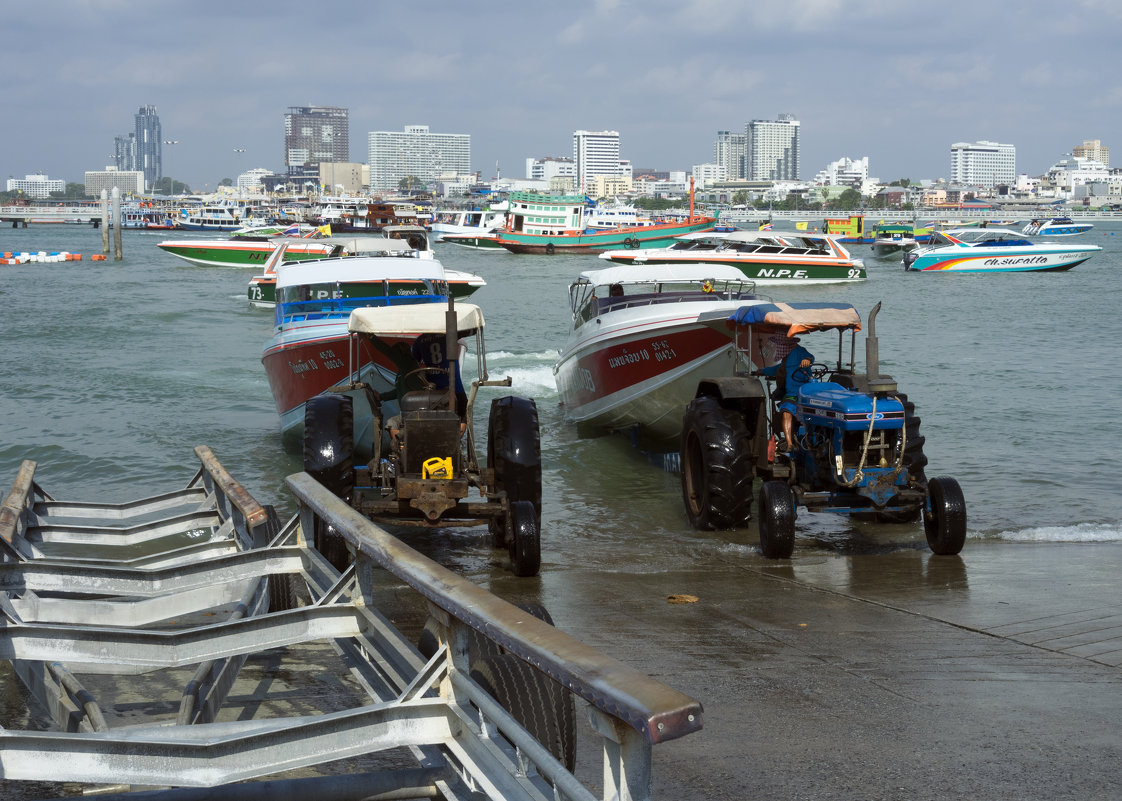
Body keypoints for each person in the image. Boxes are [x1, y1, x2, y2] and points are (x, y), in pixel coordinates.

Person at [757, 334, 815, 450]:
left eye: (780, 344)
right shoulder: (786, 358)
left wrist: (807, 360)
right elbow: (776, 369)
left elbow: (810, 357)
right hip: (791, 394)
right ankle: (790, 444)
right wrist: (761, 371)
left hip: (804, 392)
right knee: (786, 411)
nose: (779, 346)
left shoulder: (800, 351)